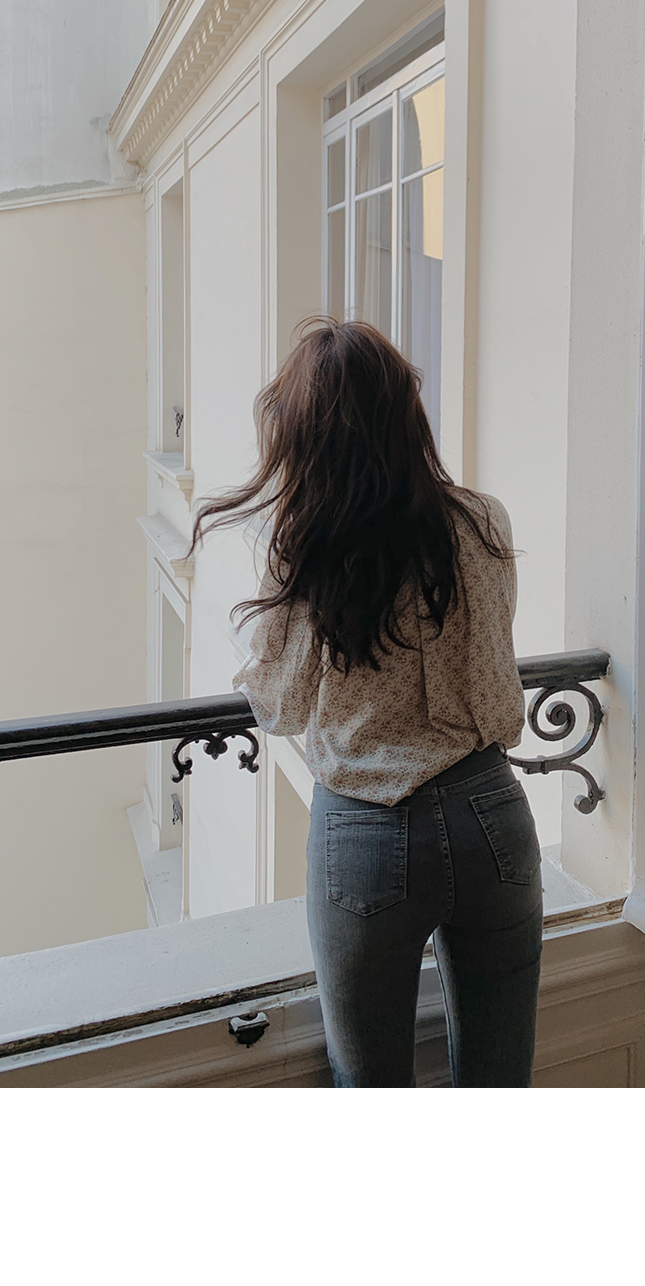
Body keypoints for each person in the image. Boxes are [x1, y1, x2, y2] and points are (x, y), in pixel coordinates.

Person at [194, 317, 544, 1080]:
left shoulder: (310, 547)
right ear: (406, 412)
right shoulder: (481, 519)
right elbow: (493, 675)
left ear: (307, 434)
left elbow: (282, 706)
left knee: (372, 1085)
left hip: (366, 829)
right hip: (491, 809)